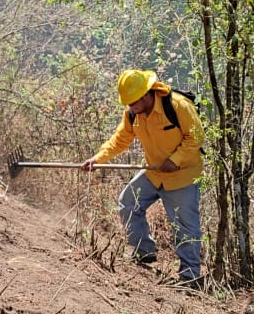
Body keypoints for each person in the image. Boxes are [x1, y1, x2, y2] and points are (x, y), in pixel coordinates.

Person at [82, 69, 205, 288]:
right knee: (128, 202)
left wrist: (175, 160)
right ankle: (143, 251)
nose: (131, 107)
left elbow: (196, 137)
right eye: (128, 103)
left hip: (182, 177)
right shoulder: (132, 113)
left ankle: (190, 278)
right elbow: (120, 140)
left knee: (186, 228)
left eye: (135, 102)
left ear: (148, 94)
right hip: (153, 172)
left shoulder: (177, 106)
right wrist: (98, 158)